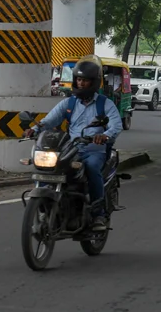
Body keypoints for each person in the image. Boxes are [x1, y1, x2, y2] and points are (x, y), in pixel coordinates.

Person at [25, 55, 122, 231]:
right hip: (71, 149)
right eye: (78, 79)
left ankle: (98, 215)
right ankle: (45, 206)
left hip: (94, 150)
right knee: (48, 169)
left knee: (91, 168)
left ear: (93, 82)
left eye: (85, 80)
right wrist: (35, 129)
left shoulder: (104, 104)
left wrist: (104, 135)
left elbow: (116, 125)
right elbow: (50, 120)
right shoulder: (68, 103)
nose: (81, 83)